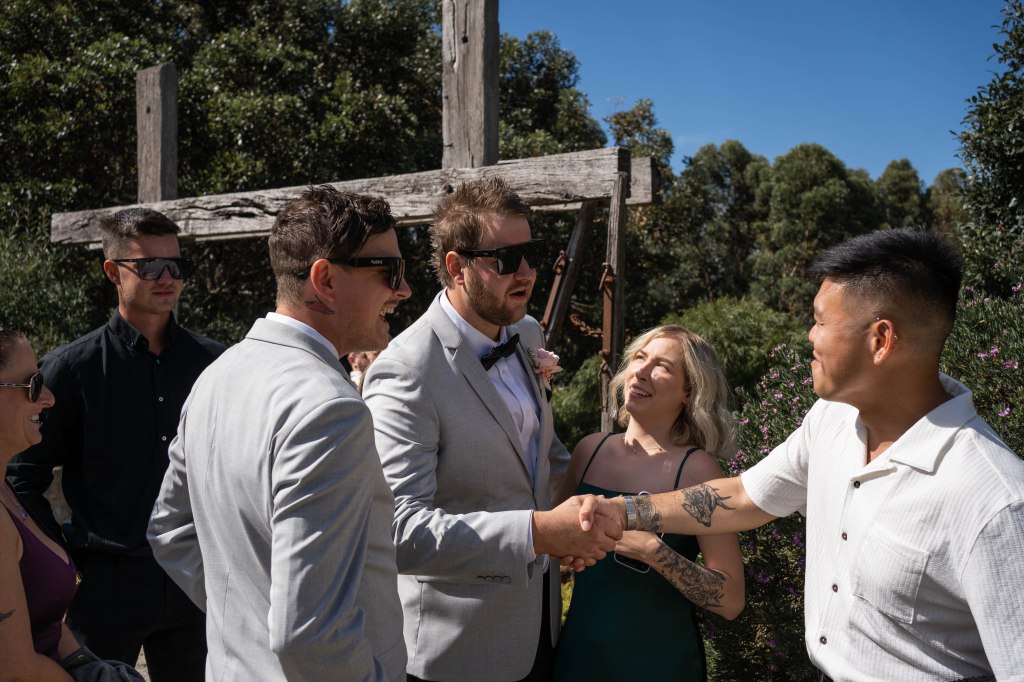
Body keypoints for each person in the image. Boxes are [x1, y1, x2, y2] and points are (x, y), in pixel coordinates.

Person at [578, 228, 1024, 680]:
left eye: (821, 321)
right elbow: (743, 498)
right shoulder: (831, 419)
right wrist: (622, 511)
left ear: (881, 339)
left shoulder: (995, 501)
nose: (809, 336)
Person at [362, 176, 620, 682]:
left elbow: (538, 455)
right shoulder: (406, 370)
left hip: (541, 628)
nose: (526, 272)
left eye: (530, 254)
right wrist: (539, 532)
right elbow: (399, 532)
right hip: (459, 650)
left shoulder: (527, 331)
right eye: (505, 259)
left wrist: (602, 506)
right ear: (456, 267)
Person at [147, 185, 411, 681]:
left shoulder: (216, 376)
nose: (404, 289)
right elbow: (309, 636)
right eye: (389, 271)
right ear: (325, 279)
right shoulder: (330, 410)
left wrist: (247, 620)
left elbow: (170, 532)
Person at [7, 208, 225, 680]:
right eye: (149, 266)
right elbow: (22, 475)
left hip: (195, 576)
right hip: (104, 585)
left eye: (176, 266)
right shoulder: (71, 368)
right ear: (113, 271)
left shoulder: (215, 364)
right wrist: (62, 559)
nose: (166, 278)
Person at [552, 325, 744, 681]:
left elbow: (731, 600)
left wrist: (653, 552)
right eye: (639, 358)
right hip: (578, 659)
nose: (641, 371)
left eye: (662, 366)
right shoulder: (589, 451)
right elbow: (550, 550)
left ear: (689, 392)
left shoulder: (697, 469)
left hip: (659, 665)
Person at [0, 328, 76, 679]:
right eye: (32, 385)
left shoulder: (6, 490)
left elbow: (44, 621)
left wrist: (86, 664)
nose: (48, 398)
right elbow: (14, 669)